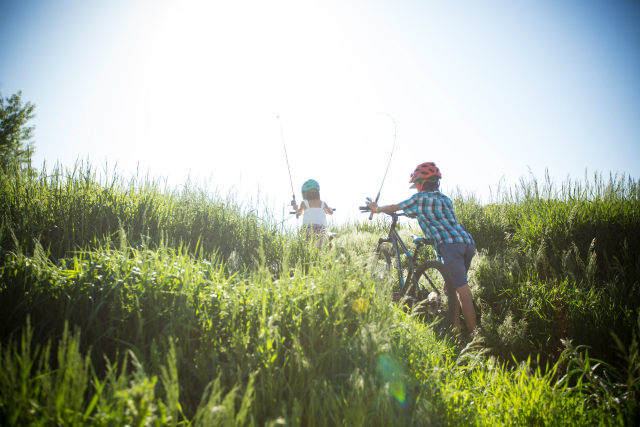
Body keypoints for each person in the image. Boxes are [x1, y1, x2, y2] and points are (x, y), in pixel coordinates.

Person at [368, 162, 477, 336]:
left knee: (463, 293)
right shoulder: (445, 199)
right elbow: (434, 215)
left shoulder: (418, 199)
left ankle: (472, 340)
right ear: (437, 183)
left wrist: (376, 208)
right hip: (466, 243)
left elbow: (395, 207)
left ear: (419, 184)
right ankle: (458, 334)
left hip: (450, 245)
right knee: (451, 289)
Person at [292, 179, 334, 247]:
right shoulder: (323, 204)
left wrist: (295, 207)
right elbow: (330, 212)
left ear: (305, 193)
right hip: (321, 229)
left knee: (308, 246)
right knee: (320, 247)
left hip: (308, 229)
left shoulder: (304, 203)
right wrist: (330, 210)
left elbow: (298, 214)